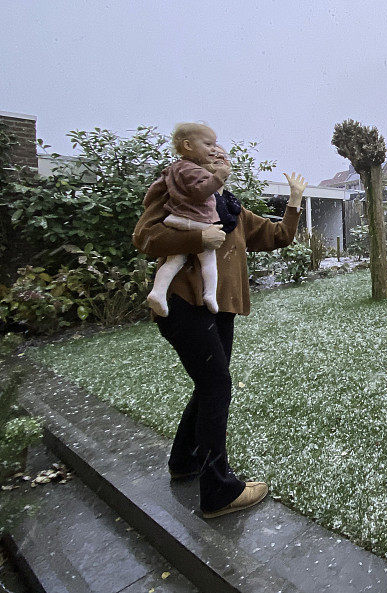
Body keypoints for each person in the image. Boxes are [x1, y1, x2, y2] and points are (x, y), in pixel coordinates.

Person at [133, 145, 307, 519]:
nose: (218, 156)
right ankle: (218, 491)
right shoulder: (173, 193)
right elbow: (145, 237)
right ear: (193, 165)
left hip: (220, 310)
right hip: (184, 306)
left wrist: (294, 201)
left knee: (210, 382)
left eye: (222, 154)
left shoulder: (230, 208)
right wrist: (197, 240)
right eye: (210, 154)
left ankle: (184, 461)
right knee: (216, 386)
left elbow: (278, 236)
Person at [146, 123, 228, 317]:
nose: (214, 150)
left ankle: (157, 292)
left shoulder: (173, 169)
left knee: (175, 260)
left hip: (176, 218)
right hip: (194, 221)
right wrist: (219, 177)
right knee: (209, 259)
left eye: (216, 147)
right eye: (208, 145)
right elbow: (200, 192)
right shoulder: (193, 171)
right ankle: (210, 294)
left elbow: (151, 193)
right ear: (188, 146)